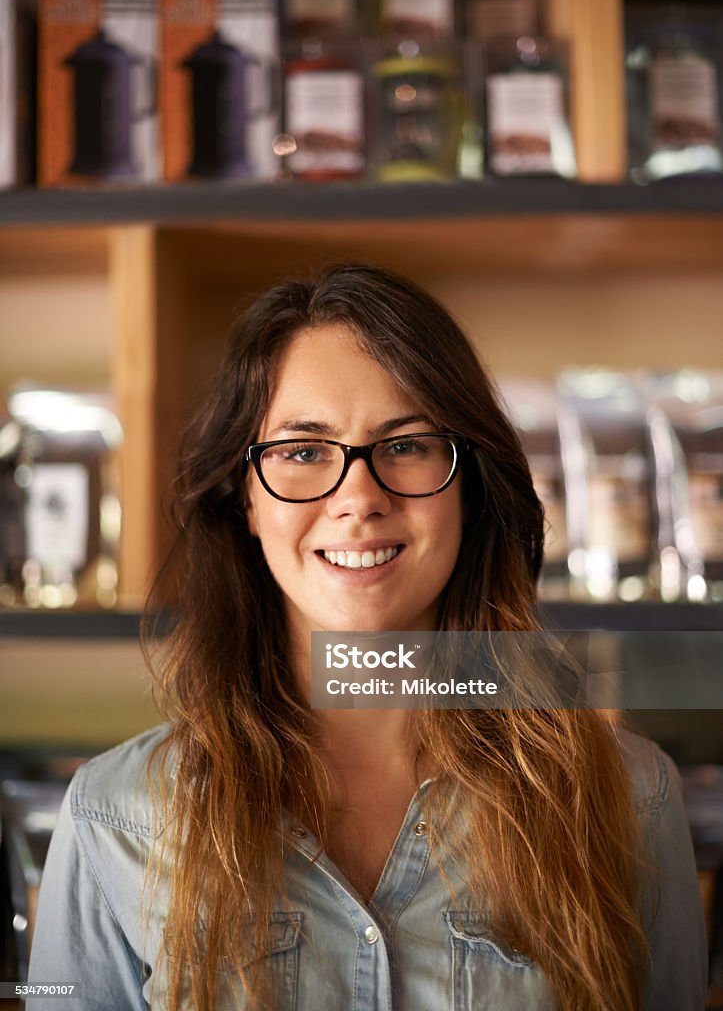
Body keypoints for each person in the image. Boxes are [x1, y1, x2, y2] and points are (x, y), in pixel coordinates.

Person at [28, 264, 707, 1010]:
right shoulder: (113, 812)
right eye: (303, 451)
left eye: (407, 445)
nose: (359, 498)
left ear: (470, 485)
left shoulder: (627, 797)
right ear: (245, 496)